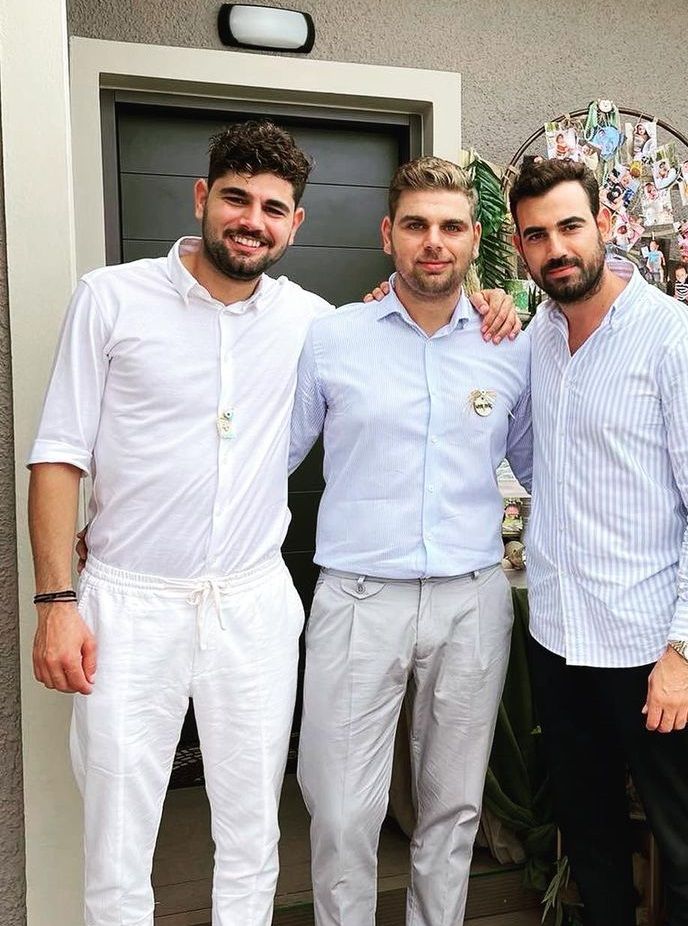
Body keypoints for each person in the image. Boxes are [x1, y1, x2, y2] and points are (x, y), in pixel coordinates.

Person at [29, 121, 520, 926]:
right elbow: (62, 454)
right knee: (125, 833)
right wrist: (57, 598)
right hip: (143, 599)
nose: (251, 220)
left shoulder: (325, 323)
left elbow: (512, 437)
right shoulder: (123, 300)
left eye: (272, 208)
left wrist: (494, 303)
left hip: (265, 604)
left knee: (255, 833)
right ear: (203, 197)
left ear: (296, 223)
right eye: (237, 199)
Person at [289, 156, 532, 926]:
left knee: (453, 808)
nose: (434, 242)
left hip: (472, 601)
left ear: (475, 239)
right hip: (359, 599)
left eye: (451, 227)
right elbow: (269, 462)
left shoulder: (509, 345)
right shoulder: (332, 339)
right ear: (387, 233)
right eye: (417, 225)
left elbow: (543, 467)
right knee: (340, 809)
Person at [507, 157, 688, 926]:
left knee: (684, 844)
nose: (556, 248)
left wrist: (684, 649)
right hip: (558, 636)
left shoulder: (674, 338)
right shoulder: (539, 337)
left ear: (604, 225)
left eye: (570, 227)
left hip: (649, 645)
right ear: (519, 246)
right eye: (536, 235)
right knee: (590, 835)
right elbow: (536, 459)